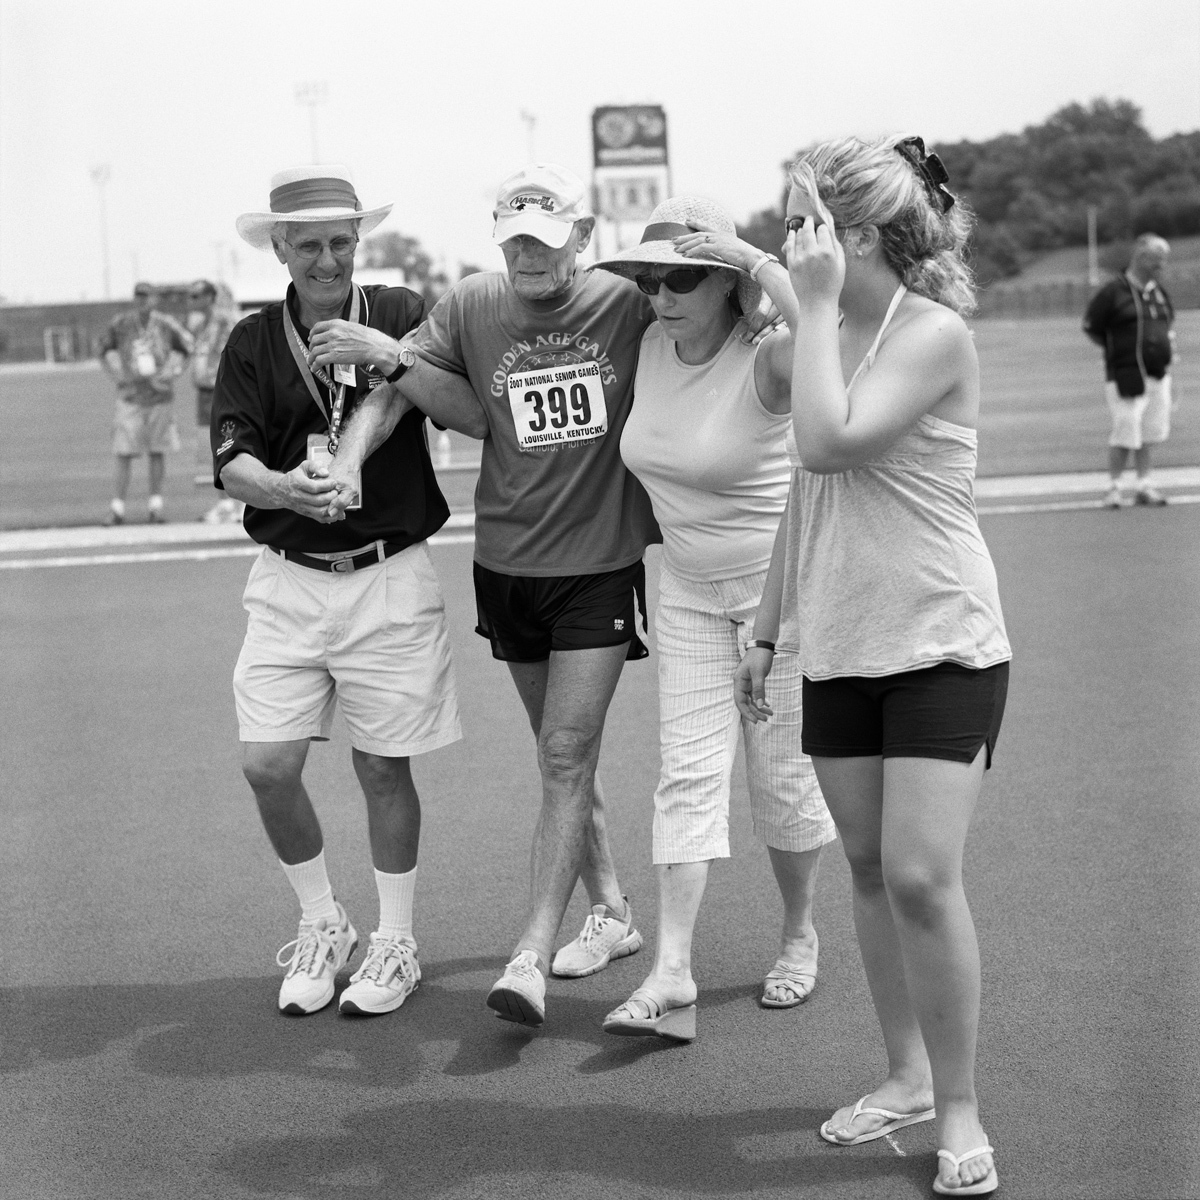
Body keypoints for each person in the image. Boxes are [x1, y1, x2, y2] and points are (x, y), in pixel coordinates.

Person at [734, 136, 1010, 1197]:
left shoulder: (932, 335)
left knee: (919, 877)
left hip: (943, 642)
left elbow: (824, 444)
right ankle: (901, 1076)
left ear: (852, 233)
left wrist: (802, 310)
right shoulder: (828, 330)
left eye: (801, 220)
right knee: (864, 869)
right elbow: (803, 502)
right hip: (842, 646)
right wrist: (766, 631)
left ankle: (959, 1108)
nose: (788, 239)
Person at [329, 163, 664, 1029]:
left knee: (563, 754)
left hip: (599, 563)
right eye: (516, 242)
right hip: (508, 564)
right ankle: (615, 910)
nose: (531, 258)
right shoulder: (475, 304)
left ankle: (528, 957)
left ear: (582, 239)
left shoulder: (625, 304)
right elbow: (450, 407)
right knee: (562, 757)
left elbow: (716, 317)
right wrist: (380, 390)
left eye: (548, 244)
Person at [210, 164, 463, 1018]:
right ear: (279, 247)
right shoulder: (250, 340)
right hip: (286, 580)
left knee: (382, 765)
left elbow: (440, 401)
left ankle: (395, 940)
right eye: (310, 244)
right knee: (266, 764)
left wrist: (386, 367)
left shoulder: (395, 313)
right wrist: (285, 489)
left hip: (387, 572)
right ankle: (324, 920)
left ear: (362, 242)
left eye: (341, 242)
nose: (327, 259)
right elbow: (230, 463)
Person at [589, 198, 837, 1044]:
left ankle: (800, 931)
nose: (661, 293)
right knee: (686, 774)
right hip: (687, 591)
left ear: (728, 283)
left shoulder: (766, 358)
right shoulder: (649, 346)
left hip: (780, 600)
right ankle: (671, 969)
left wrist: (761, 260)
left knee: (782, 783)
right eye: (651, 277)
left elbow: (833, 337)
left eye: (685, 276)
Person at [1083, 233, 1176, 508]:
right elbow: (1092, 327)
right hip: (1125, 373)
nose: (1162, 265)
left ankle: (1144, 484)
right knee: (1126, 429)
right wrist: (1117, 352)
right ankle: (1113, 487)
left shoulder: (1159, 292)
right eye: (1158, 259)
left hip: (1158, 373)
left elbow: (1168, 327)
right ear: (1141, 257)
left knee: (1150, 431)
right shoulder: (1114, 291)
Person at [99, 281, 193, 525]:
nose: (142, 301)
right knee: (123, 451)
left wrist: (173, 371)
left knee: (157, 450)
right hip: (129, 397)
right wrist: (116, 372)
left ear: (154, 299)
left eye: (147, 296)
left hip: (159, 397)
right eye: (138, 296)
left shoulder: (166, 324)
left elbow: (187, 347)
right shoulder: (121, 323)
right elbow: (104, 348)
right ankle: (117, 508)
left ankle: (155, 506)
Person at [188, 280, 243, 523]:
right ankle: (223, 504)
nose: (192, 301)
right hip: (204, 392)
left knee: (233, 444)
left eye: (197, 296)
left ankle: (242, 503)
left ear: (210, 297)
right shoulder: (199, 325)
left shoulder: (225, 321)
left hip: (224, 391)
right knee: (213, 448)